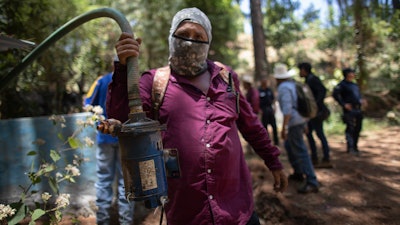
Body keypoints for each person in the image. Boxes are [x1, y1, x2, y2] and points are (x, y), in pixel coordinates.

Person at [101, 7, 288, 225]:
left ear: (208, 43)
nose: (191, 41)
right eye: (184, 34)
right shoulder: (153, 83)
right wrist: (124, 68)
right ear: (172, 37)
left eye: (199, 36)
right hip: (187, 213)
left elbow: (251, 126)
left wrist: (273, 161)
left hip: (236, 210)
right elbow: (122, 119)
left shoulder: (225, 79)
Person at [84, 67, 134, 225]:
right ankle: (126, 221)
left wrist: (100, 119)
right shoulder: (133, 82)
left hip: (104, 138)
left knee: (104, 179)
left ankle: (103, 220)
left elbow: (87, 103)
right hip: (126, 139)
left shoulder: (101, 80)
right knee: (126, 182)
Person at [273, 63, 319, 194]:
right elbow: (300, 104)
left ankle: (312, 181)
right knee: (289, 146)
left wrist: (284, 128)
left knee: (300, 149)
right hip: (300, 119)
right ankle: (298, 172)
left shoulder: (283, 88)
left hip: (293, 122)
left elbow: (287, 110)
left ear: (278, 78)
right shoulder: (293, 85)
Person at [298, 62, 332, 168]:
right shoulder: (308, 80)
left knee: (319, 134)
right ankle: (315, 158)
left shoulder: (312, 79)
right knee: (311, 134)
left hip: (316, 113)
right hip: (313, 113)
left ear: (304, 70)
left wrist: (316, 105)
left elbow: (322, 90)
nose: (299, 72)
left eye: (300, 70)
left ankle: (325, 158)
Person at [332, 68, 367, 155]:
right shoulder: (342, 85)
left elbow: (358, 96)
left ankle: (355, 147)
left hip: (358, 109)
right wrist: (344, 104)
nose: (353, 75)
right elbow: (335, 94)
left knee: (358, 128)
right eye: (351, 73)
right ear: (346, 74)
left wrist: (362, 101)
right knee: (350, 128)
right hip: (349, 110)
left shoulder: (354, 85)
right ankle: (350, 147)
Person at [258, 78, 279, 146]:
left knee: (274, 126)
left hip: (270, 109)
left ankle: (276, 141)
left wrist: (274, 107)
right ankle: (267, 142)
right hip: (263, 110)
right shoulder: (259, 91)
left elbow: (273, 100)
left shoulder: (269, 90)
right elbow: (257, 101)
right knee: (265, 126)